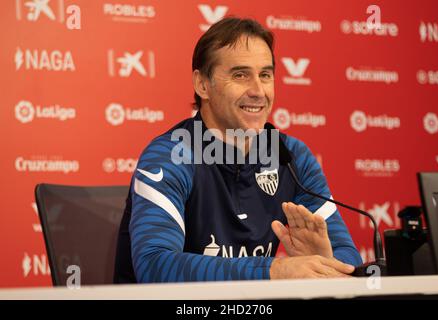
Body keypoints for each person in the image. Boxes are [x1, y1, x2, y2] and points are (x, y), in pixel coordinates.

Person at [114, 17, 362, 283]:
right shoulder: (170, 155)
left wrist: (326, 260)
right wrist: (272, 271)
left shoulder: (290, 156)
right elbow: (155, 266)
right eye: (240, 75)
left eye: (265, 75)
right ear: (202, 84)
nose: (257, 91)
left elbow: (349, 260)